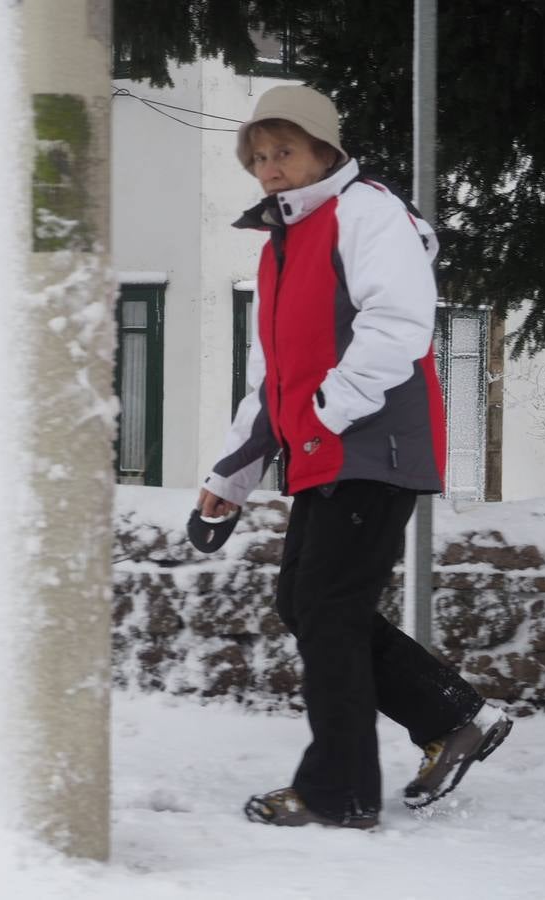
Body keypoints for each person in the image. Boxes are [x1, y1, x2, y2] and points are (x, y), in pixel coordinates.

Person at [199, 85, 513, 829]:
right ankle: (452, 718)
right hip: (324, 449)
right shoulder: (279, 247)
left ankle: (338, 790)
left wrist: (326, 411)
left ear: (323, 151)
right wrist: (229, 479)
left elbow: (398, 324)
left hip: (373, 445)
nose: (270, 167)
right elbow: (269, 381)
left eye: (285, 151)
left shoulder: (366, 213)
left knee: (328, 612)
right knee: (303, 605)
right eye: (259, 156)